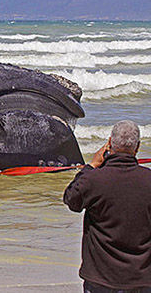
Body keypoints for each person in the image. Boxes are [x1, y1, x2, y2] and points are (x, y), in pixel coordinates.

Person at [63, 120, 151, 293]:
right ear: (137, 147)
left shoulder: (93, 179)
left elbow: (71, 199)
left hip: (100, 277)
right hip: (141, 277)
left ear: (109, 143)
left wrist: (91, 166)